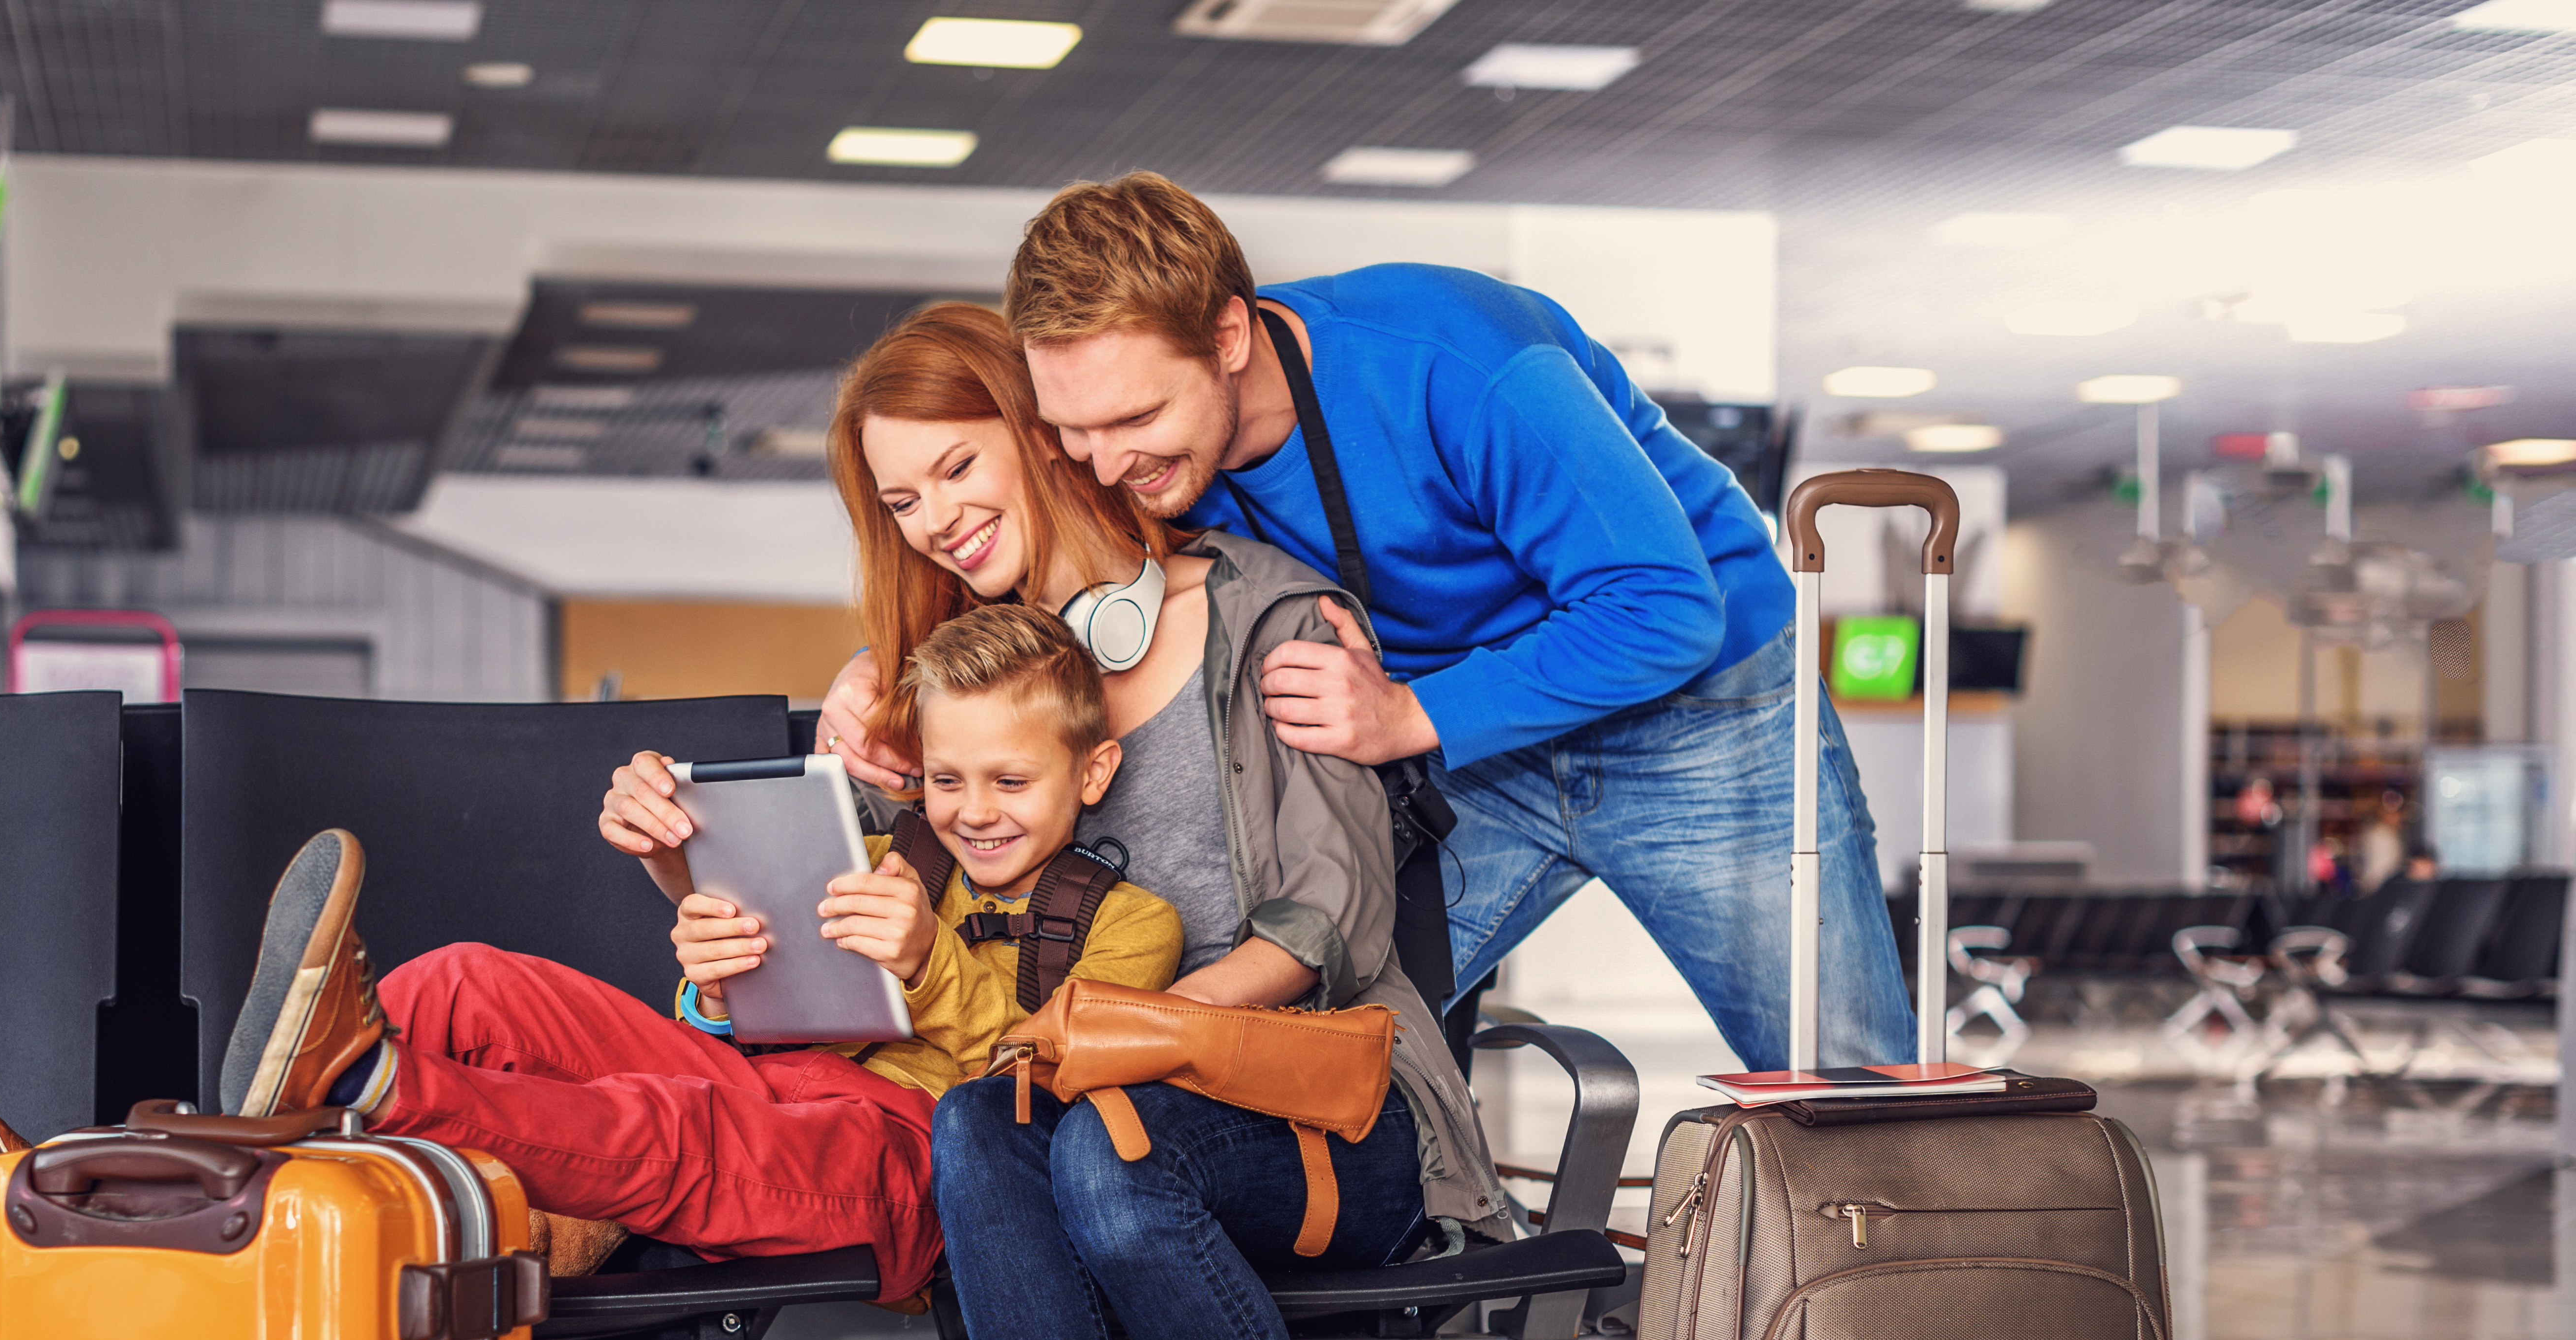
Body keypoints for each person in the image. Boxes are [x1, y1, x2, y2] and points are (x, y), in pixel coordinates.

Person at [758, 301, 1511, 1340]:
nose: (938, 518)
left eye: (959, 467)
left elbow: (1335, 924)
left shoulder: (1266, 618)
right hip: (1071, 1098)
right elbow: (912, 957)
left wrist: (1132, 1027)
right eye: (900, 502)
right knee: (990, 1129)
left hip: (1329, 1116)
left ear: (1048, 427)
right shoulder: (957, 692)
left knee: (1096, 1152)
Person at [816, 171, 1911, 1077]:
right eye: (1076, 431)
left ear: (1230, 336)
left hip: (1697, 712)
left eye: (1135, 420)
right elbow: (1048, 550)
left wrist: (1413, 712)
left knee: (1847, 1076)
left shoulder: (1460, 366)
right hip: (1473, 748)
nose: (1106, 464)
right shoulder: (1137, 445)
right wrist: (883, 665)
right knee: (1323, 1038)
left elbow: (1664, 608)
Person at [0, 603, 1184, 1308]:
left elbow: (1050, 1085)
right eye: (948, 778)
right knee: (464, 980)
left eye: (1010, 782)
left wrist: (927, 967)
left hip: (907, 1167)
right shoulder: (884, 850)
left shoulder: (1130, 925)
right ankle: (170, 1161)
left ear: (1092, 772)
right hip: (773, 1078)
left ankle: (329, 1109)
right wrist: (713, 963)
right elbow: (737, 1020)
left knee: (663, 1128)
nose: (973, 810)